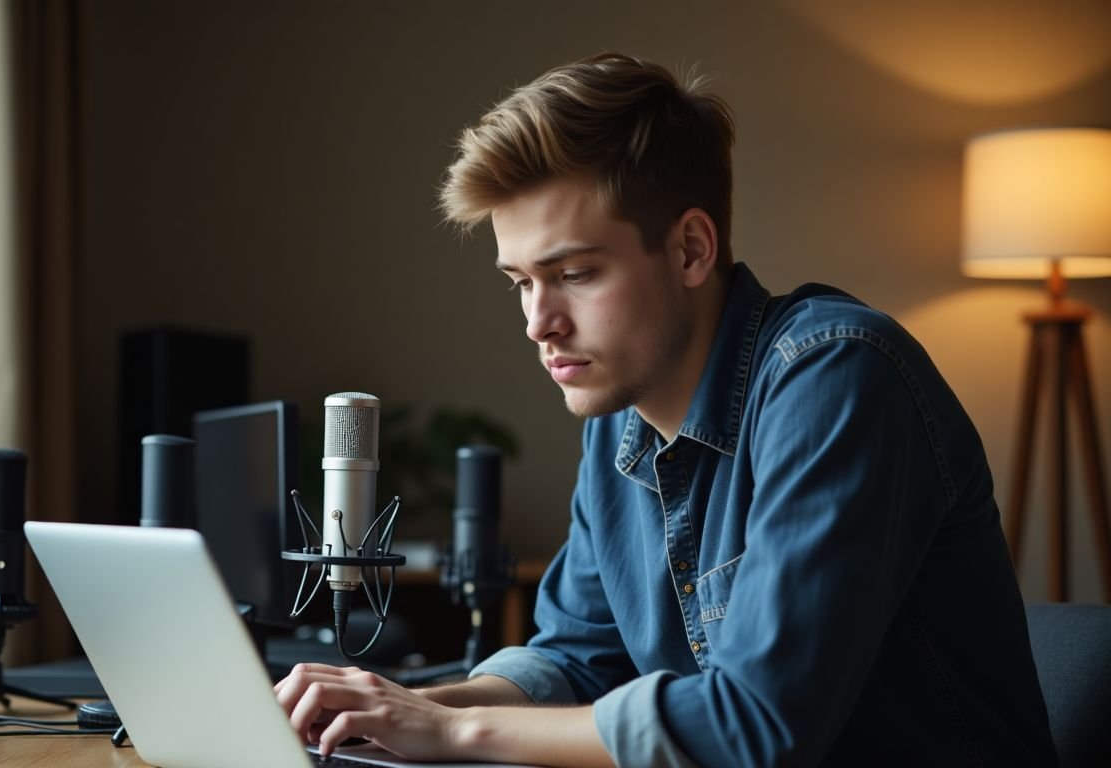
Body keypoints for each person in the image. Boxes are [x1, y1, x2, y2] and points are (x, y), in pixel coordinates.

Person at [274, 51, 1057, 767]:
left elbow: (756, 726)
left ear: (690, 249)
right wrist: (384, 711)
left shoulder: (839, 377)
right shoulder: (622, 419)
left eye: (574, 273)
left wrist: (451, 730)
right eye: (520, 281)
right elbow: (573, 660)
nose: (537, 323)